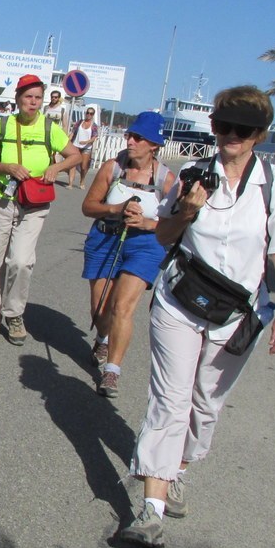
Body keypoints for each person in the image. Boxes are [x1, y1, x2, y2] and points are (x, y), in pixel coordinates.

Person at [119, 86, 275, 548]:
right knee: (170, 400)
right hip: (180, 301)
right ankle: (151, 509)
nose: (230, 137)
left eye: (242, 130)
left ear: (259, 135)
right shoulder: (193, 174)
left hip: (237, 313)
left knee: (205, 404)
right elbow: (163, 235)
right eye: (223, 126)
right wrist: (186, 209)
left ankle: (179, 469)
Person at [0, 74, 82, 344]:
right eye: (28, 97)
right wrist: (7, 167)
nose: (33, 103)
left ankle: (14, 314)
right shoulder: (1, 125)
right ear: (18, 99)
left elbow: (75, 155)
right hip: (0, 197)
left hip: (34, 203)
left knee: (21, 261)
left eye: (38, 98)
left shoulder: (49, 128)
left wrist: (56, 167)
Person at [82, 111, 174, 397]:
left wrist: (147, 223)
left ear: (154, 145)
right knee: (101, 311)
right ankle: (103, 336)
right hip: (105, 238)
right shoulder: (113, 168)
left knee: (123, 307)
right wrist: (116, 210)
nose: (130, 140)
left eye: (138, 137)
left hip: (145, 246)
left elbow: (176, 224)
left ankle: (112, 372)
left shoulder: (166, 179)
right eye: (130, 135)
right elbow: (88, 207)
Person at [68, 107, 100, 189]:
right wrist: (68, 140)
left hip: (86, 147)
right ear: (85, 113)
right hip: (76, 145)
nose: (89, 115)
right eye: (88, 113)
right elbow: (73, 132)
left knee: (83, 167)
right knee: (73, 164)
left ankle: (82, 181)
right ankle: (70, 184)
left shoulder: (94, 126)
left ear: (93, 115)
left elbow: (94, 137)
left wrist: (86, 142)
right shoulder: (79, 122)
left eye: (91, 113)